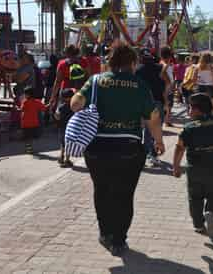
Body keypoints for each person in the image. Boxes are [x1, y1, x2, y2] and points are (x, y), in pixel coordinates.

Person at [70, 42, 165, 256]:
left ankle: (105, 233)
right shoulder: (140, 85)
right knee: (124, 194)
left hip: (97, 148)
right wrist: (158, 141)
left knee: (102, 191)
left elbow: (75, 105)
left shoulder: (95, 81)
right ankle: (119, 240)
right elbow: (153, 118)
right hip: (128, 148)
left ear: (110, 61)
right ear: (133, 63)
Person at [173, 93, 213, 236]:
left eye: (190, 108)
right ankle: (211, 212)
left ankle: (199, 225)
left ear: (198, 109)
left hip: (195, 169)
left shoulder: (189, 127)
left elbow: (180, 147)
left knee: (195, 197)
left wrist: (176, 167)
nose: (189, 111)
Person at [136, 48, 168, 167]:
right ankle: (152, 155)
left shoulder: (137, 70)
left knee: (140, 129)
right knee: (153, 130)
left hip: (141, 102)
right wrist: (166, 103)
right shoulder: (160, 68)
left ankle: (141, 156)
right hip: (157, 101)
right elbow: (166, 84)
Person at [20, 86, 48, 154]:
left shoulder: (25, 102)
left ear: (28, 94)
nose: (24, 95)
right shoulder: (37, 102)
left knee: (27, 137)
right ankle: (30, 148)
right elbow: (44, 108)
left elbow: (22, 109)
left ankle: (28, 148)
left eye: (25, 94)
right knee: (31, 137)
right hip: (34, 123)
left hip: (25, 123)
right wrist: (49, 104)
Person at [54, 88, 75, 167]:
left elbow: (57, 116)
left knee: (62, 143)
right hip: (71, 128)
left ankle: (61, 157)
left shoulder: (61, 106)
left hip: (62, 127)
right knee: (69, 144)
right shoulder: (74, 106)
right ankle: (67, 160)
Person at [160, 46, 174, 127]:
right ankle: (165, 121)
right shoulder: (164, 64)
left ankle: (167, 121)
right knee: (166, 104)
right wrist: (169, 82)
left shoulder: (165, 63)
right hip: (166, 88)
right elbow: (163, 73)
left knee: (168, 105)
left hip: (167, 88)